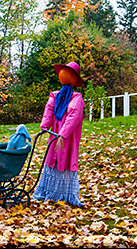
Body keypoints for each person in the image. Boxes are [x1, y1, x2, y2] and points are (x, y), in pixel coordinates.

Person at [32, 62, 85, 207]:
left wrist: (61, 133)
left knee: (64, 160)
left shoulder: (73, 98)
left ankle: (62, 193)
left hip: (65, 138)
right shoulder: (57, 96)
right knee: (53, 160)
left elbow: (73, 117)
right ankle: (51, 192)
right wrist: (45, 126)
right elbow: (49, 111)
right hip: (56, 135)